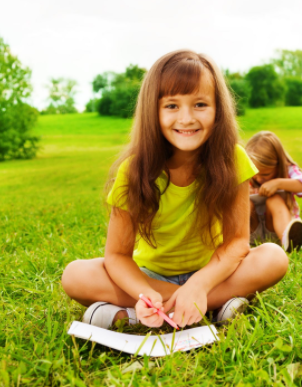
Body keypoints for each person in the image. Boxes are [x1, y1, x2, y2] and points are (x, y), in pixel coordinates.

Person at [61, 50, 288, 330]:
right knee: (75, 275)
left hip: (214, 273)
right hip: (150, 277)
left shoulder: (233, 159)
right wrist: (146, 294)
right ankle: (206, 307)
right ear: (152, 111)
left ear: (218, 109)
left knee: (274, 258)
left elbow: (236, 243)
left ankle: (139, 315)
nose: (186, 118)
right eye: (171, 106)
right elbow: (117, 256)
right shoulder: (133, 171)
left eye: (200, 104)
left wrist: (200, 284)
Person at [245, 131, 302, 252]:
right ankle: (237, 243)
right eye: (255, 174)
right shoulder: (245, 174)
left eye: (266, 174)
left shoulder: (288, 171)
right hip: (250, 232)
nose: (259, 179)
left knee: (274, 200)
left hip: (276, 231)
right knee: (245, 203)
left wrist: (278, 183)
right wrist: (242, 192)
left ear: (279, 164)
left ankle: (288, 241)